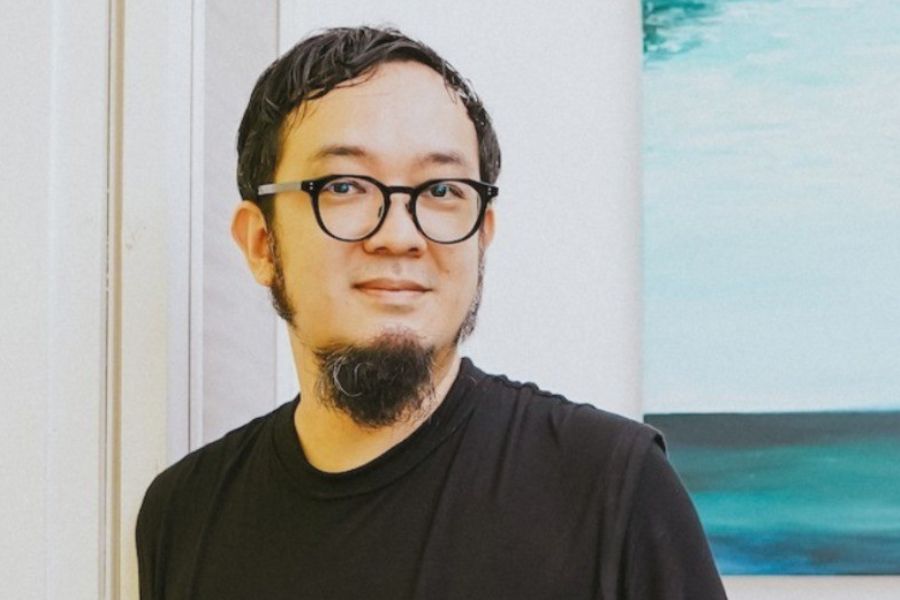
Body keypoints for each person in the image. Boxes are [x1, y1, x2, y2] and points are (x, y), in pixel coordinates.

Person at [136, 26, 727, 599]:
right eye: (344, 186)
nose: (399, 235)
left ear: (482, 237)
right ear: (262, 243)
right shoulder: (184, 513)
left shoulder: (611, 487)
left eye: (442, 191)